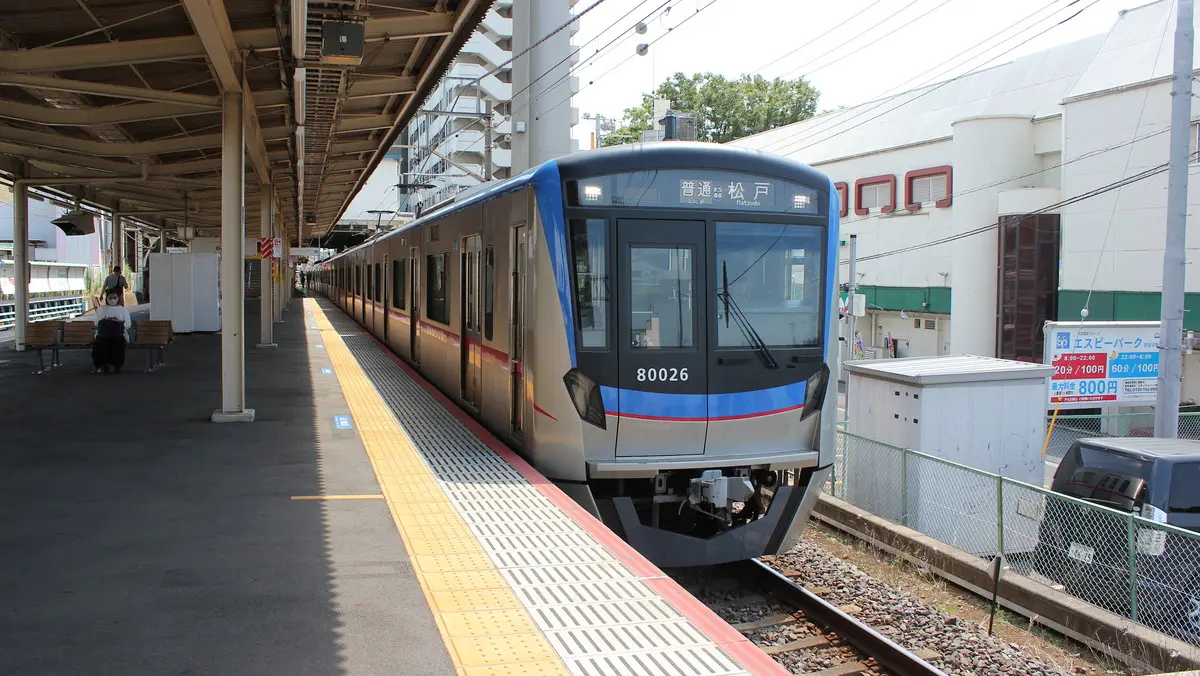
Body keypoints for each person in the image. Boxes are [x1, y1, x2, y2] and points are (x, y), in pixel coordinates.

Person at [93, 291, 131, 374]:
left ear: (118, 298)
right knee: (101, 342)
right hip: (104, 334)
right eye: (110, 298)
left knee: (115, 342)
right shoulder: (101, 309)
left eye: (114, 298)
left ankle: (114, 364)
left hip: (118, 334)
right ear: (106, 298)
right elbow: (96, 323)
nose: (112, 300)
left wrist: (115, 324)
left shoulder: (123, 309)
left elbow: (128, 324)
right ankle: (103, 364)